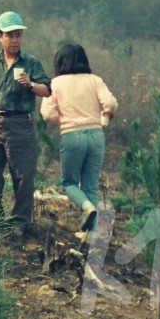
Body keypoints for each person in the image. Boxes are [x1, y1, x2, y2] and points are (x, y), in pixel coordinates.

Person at [0, 11, 51, 239]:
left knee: (23, 176)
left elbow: (47, 89)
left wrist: (31, 84)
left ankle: (19, 221)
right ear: (0, 36)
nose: (15, 39)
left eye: (18, 35)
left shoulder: (31, 63)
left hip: (20, 124)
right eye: (10, 35)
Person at [40, 43, 117, 241]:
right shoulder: (94, 80)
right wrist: (106, 113)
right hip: (96, 134)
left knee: (69, 183)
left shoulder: (56, 83)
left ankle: (87, 208)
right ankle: (91, 234)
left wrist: (63, 120)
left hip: (72, 135)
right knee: (90, 185)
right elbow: (109, 103)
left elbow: (47, 114)